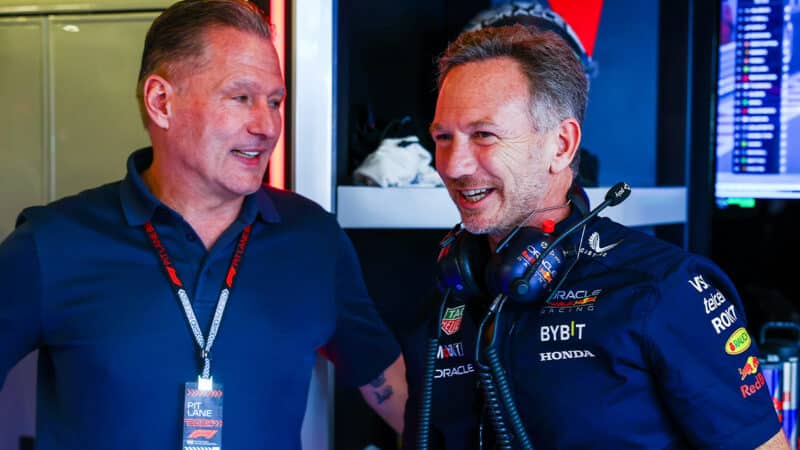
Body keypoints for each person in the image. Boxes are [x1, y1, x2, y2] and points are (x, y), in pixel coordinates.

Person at [0, 0, 406, 448]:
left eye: (275, 101)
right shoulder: (51, 244)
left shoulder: (314, 240)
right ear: (161, 102)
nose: (268, 125)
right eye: (241, 98)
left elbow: (389, 387)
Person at [399, 23, 789, 449]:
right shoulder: (453, 288)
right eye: (442, 137)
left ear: (562, 145)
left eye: (484, 135)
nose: (453, 166)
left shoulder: (664, 288)